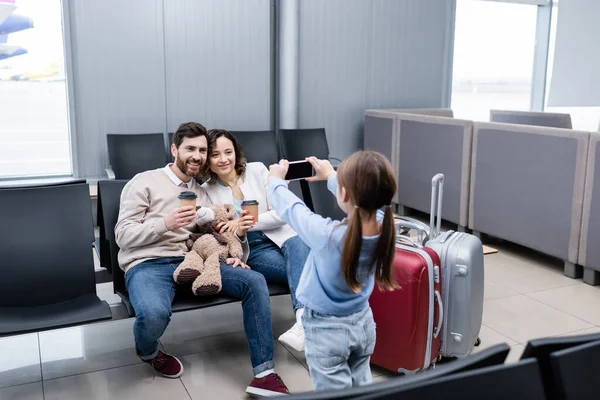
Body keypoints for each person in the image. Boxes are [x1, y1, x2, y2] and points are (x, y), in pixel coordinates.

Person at [115, 122, 290, 397]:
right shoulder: (144, 181)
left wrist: (233, 253)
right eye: (190, 149)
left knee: (254, 280)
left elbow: (214, 228)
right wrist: (165, 223)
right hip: (148, 264)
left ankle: (265, 374)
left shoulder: (202, 190)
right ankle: (148, 351)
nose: (196, 155)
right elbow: (122, 236)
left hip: (195, 260)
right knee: (153, 314)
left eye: (202, 150)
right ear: (175, 149)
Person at [266, 151, 397, 391]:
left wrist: (275, 182)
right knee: (362, 386)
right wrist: (331, 176)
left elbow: (293, 210)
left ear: (344, 193)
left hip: (327, 331)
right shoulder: (384, 223)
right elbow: (369, 199)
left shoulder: (328, 236)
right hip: (363, 323)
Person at [200, 129, 310, 352]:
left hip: (284, 236)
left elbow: (281, 214)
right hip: (251, 248)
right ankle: (313, 322)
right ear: (207, 160)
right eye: (215, 155)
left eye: (228, 152)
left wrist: (243, 221)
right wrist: (239, 229)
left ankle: (303, 322)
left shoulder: (258, 170)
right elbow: (221, 230)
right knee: (311, 269)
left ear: (236, 152)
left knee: (300, 246)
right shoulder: (207, 191)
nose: (223, 159)